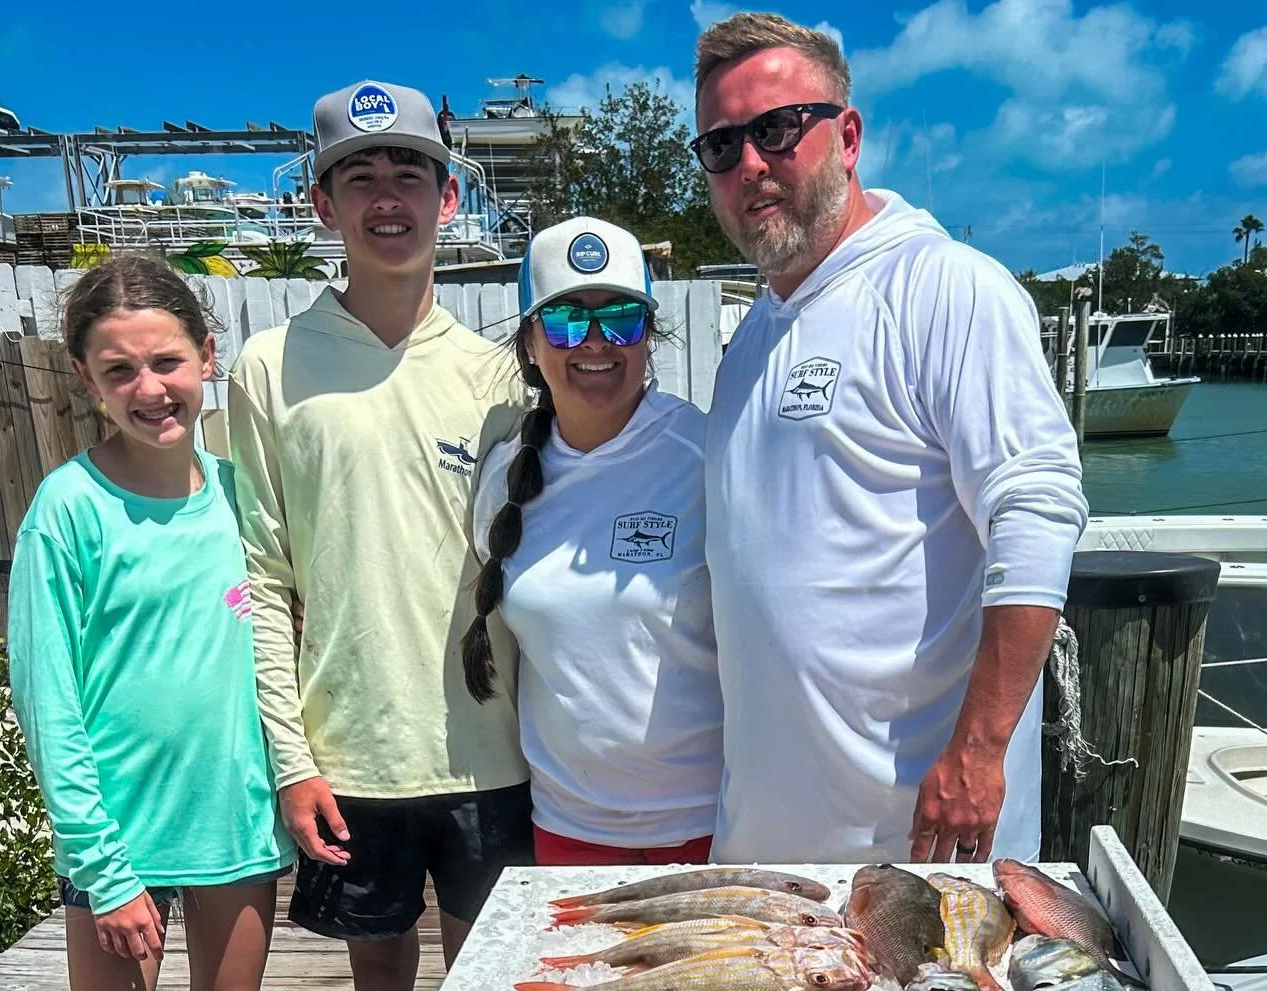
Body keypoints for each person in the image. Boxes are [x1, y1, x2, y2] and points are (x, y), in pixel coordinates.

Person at [694, 13, 1088, 864]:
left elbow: (1037, 506)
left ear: (847, 137)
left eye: (777, 129)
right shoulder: (750, 340)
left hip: (920, 854)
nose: (750, 164)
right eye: (722, 146)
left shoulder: (944, 287)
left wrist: (979, 750)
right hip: (763, 862)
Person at [8, 256, 295, 991]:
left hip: (232, 821)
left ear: (207, 359)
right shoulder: (67, 510)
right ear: (86, 380)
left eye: (167, 361)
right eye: (120, 369)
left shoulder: (242, 496)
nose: (150, 387)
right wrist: (104, 865)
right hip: (117, 845)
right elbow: (50, 702)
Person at [229, 80, 532, 991]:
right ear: (322, 204)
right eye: (359, 177)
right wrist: (293, 762)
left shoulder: (499, 376)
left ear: (450, 199)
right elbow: (260, 578)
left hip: (493, 748)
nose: (387, 196)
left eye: (411, 172)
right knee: (379, 977)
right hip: (351, 750)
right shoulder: (268, 367)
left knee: (492, 986)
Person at [466, 217, 721, 864]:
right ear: (530, 344)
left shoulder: (706, 455)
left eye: (622, 319)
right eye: (566, 322)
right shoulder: (501, 477)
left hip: (708, 825)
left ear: (649, 335)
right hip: (564, 827)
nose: (597, 341)